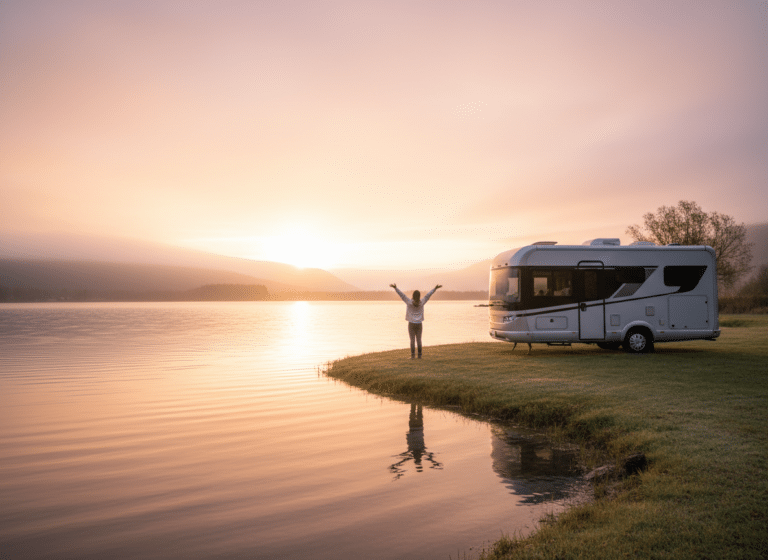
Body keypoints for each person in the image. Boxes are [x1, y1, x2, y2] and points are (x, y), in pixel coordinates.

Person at [390, 283, 442, 359]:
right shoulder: (422, 302)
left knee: (412, 340)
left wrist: (396, 288)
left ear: (413, 296)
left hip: (411, 324)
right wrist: (435, 288)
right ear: (419, 296)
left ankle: (413, 356)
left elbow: (402, 295)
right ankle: (420, 356)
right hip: (419, 324)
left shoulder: (409, 302)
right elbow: (428, 295)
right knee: (419, 340)